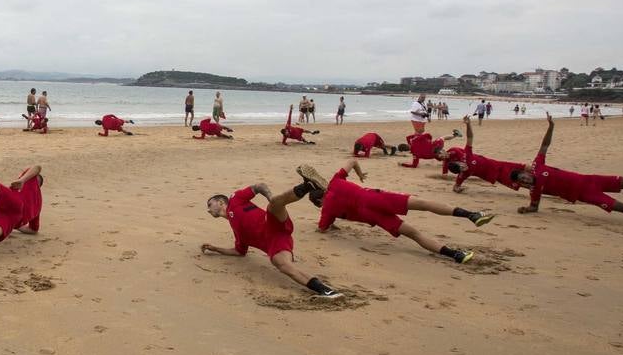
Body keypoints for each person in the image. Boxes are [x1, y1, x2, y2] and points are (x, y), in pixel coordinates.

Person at [299, 161, 492, 264]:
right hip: (374, 197)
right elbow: (352, 159)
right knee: (424, 204)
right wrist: (359, 173)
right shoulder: (334, 181)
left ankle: (456, 255)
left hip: (369, 213)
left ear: (318, 202)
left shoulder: (327, 210)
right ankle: (471, 215)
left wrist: (329, 224)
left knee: (414, 234)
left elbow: (322, 229)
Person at [201, 178, 342, 299]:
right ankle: (326, 290)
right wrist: (215, 249)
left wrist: (272, 199)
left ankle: (307, 185)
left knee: (274, 204)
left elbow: (259, 186)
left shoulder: (235, 199)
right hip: (277, 242)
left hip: (273, 222)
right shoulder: (236, 230)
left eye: (209, 204)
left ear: (220, 202)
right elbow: (239, 252)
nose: (208, 209)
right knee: (282, 265)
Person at [444, 115, 525, 194]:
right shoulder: (463, 174)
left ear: (459, 162)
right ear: (460, 172)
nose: (464, 168)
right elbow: (456, 187)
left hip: (499, 164)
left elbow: (470, 137)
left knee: (524, 167)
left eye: (461, 166)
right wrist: (458, 189)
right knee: (520, 183)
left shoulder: (466, 156)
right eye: (461, 169)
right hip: (495, 176)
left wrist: (468, 124)